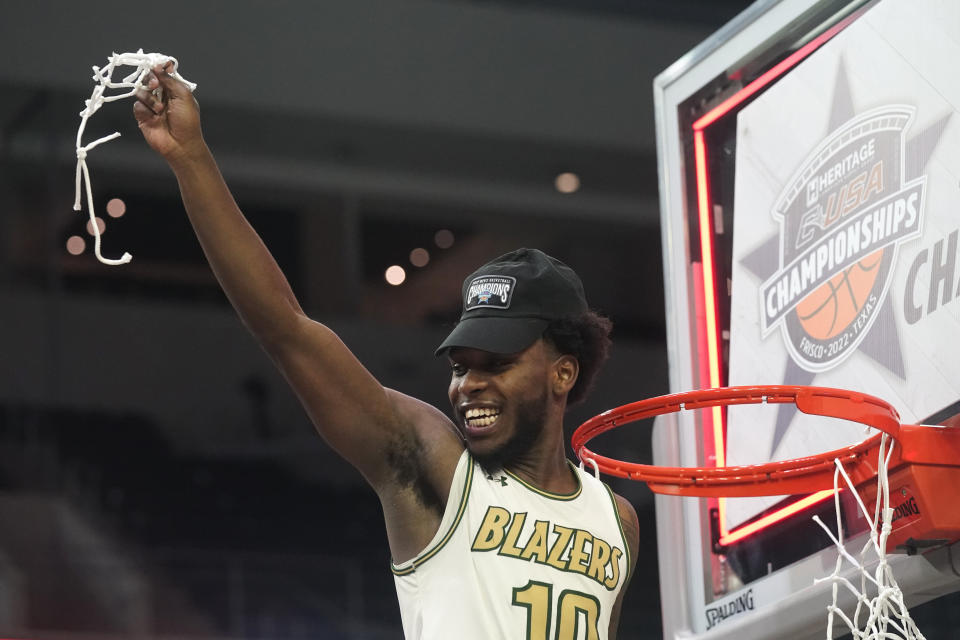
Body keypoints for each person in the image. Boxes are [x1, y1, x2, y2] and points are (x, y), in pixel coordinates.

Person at [133, 62, 639, 639]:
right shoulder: (432, 461)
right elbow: (287, 329)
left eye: (496, 363)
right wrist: (190, 157)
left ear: (563, 372)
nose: (467, 384)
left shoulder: (616, 521)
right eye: (459, 366)